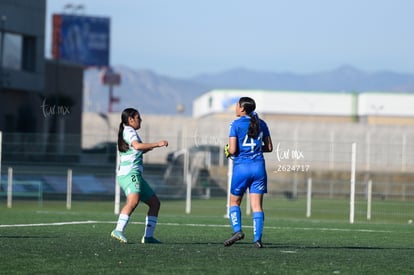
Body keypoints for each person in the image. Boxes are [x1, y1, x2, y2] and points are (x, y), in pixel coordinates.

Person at [111, 108, 168, 244]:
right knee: (133, 201)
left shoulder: (130, 132)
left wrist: (149, 147)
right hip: (129, 174)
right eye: (138, 117)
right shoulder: (129, 131)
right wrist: (156, 143)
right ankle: (118, 230)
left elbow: (136, 150)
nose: (140, 120)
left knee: (155, 203)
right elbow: (137, 146)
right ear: (131, 119)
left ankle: (148, 237)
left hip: (136, 175)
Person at [223, 97, 273, 248]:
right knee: (256, 206)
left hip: (242, 169)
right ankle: (257, 239)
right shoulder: (262, 123)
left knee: (234, 202)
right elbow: (269, 147)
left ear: (242, 108)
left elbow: (232, 150)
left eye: (237, 105)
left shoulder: (235, 124)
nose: (235, 107)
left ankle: (237, 231)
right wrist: (256, 149)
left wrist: (227, 151)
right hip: (259, 168)